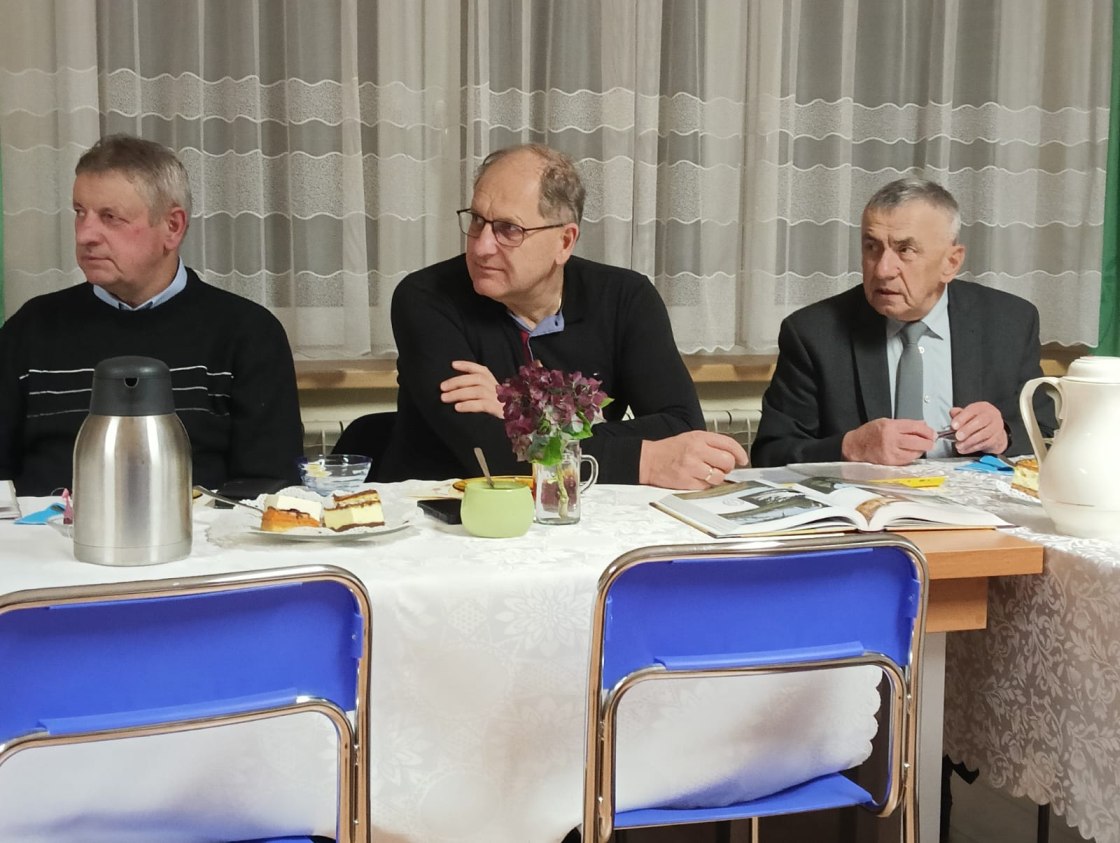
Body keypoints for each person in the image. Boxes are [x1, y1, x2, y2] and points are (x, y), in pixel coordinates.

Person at [383, 143, 747, 487]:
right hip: (443, 512)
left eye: (509, 229)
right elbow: (490, 455)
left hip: (581, 511)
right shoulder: (426, 299)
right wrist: (645, 460)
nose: (481, 247)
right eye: (477, 220)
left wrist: (522, 412)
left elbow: (681, 428)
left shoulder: (624, 298)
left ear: (565, 241)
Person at [0, 134, 304, 495]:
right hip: (47, 529)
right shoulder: (31, 328)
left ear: (172, 227)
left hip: (198, 529)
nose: (85, 235)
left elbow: (271, 488)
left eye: (110, 217)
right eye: (80, 213)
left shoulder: (248, 333)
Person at [751, 177, 1057, 468]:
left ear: (951, 262)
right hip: (866, 502)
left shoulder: (1010, 323)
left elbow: (1047, 435)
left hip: (972, 502)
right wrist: (850, 447)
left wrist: (1004, 435)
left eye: (905, 250)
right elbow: (771, 454)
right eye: (872, 247)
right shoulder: (813, 333)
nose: (882, 270)